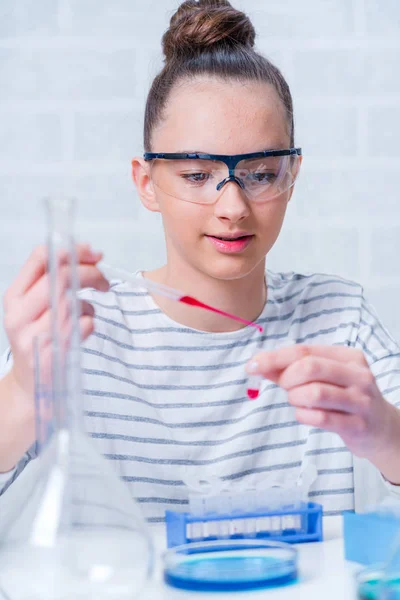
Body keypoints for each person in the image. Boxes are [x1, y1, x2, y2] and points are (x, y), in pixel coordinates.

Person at [0, 0, 399, 523]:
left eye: (260, 173)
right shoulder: (81, 335)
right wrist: (28, 392)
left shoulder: (338, 317)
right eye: (195, 175)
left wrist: (386, 433)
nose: (232, 207)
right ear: (147, 182)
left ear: (292, 174)